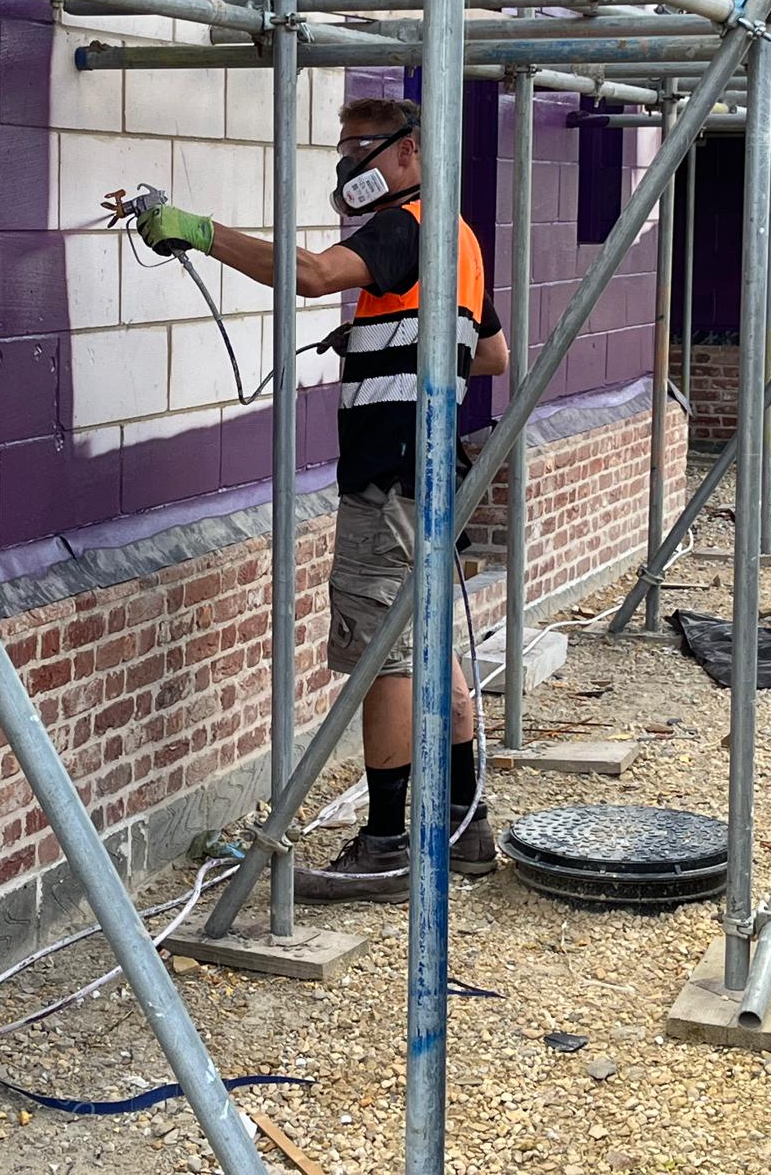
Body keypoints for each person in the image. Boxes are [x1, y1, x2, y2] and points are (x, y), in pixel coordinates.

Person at [138, 96, 508, 903]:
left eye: (362, 150)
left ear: (409, 153)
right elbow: (493, 354)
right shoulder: (460, 239)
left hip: (390, 475)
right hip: (429, 470)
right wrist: (393, 341)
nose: (348, 167)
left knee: (382, 654)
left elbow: (307, 275)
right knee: (424, 639)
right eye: (342, 150)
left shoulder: (409, 223)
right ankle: (461, 823)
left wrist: (193, 229)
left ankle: (383, 841)